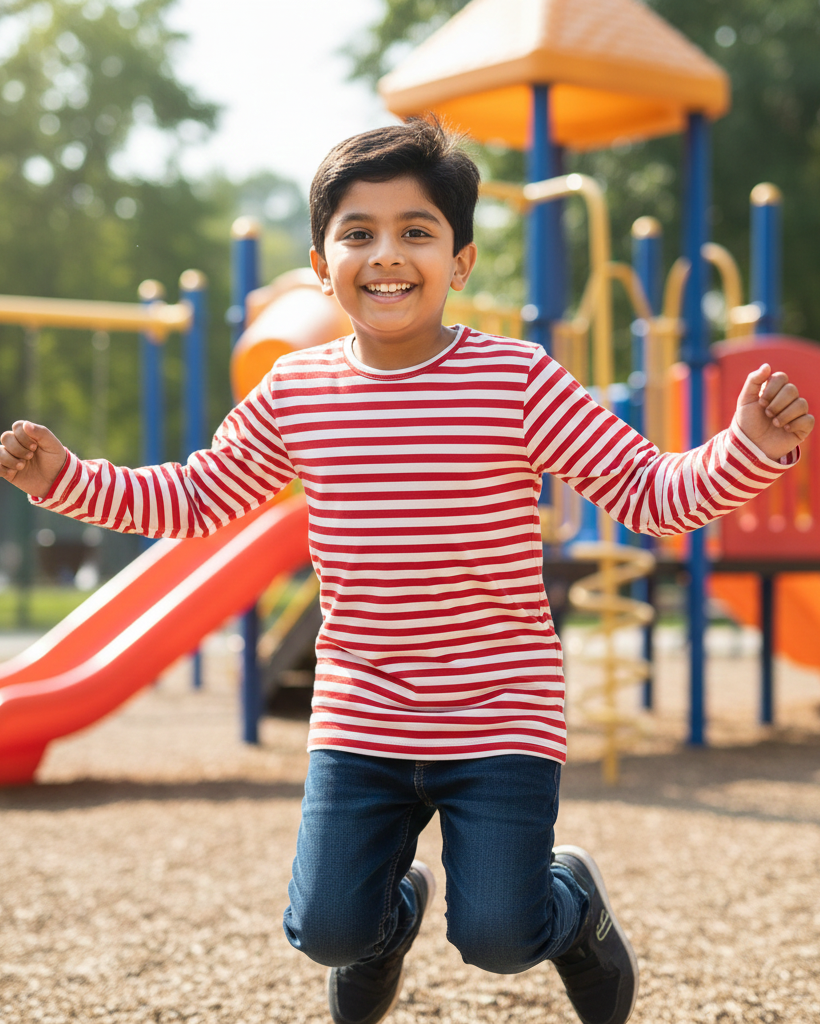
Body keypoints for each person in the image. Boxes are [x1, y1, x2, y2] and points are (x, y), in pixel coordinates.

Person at [0, 119, 814, 1024]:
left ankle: (575, 906)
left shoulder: (517, 381)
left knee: (502, 936)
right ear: (321, 262)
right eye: (359, 234)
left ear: (460, 260)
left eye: (416, 231)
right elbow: (197, 499)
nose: (386, 255)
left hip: (500, 707)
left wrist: (750, 448)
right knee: (326, 930)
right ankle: (387, 924)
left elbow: (649, 492)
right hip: (364, 706)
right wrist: (63, 479)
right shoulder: (296, 394)